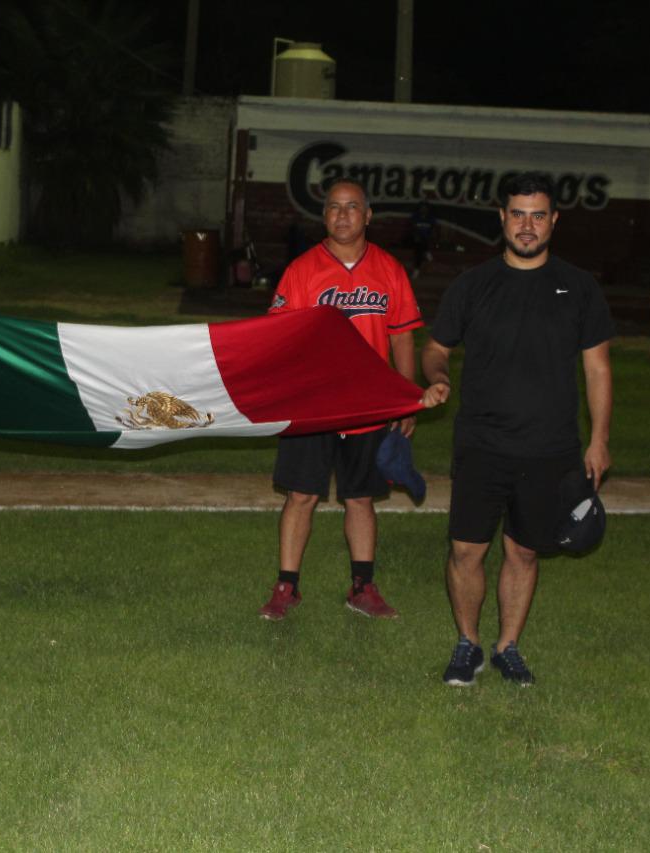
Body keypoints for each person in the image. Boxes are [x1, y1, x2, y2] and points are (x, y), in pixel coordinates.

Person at [421, 172, 613, 686]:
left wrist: (598, 440)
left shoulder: (579, 286)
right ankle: (468, 643)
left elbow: (597, 368)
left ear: (553, 221)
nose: (527, 226)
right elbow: (437, 347)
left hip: (550, 447)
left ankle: (508, 646)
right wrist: (437, 376)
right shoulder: (473, 284)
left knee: (524, 550)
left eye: (538, 215)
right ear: (502, 218)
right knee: (466, 549)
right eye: (517, 214)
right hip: (482, 441)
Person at [259, 177, 423, 621]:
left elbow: (403, 338)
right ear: (324, 215)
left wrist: (406, 398)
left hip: (368, 403)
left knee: (360, 498)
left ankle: (362, 587)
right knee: (301, 496)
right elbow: (278, 337)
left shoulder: (388, 269)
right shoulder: (302, 270)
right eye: (334, 207)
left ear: (368, 216)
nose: (343, 215)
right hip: (313, 404)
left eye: (352, 207)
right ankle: (286, 587)